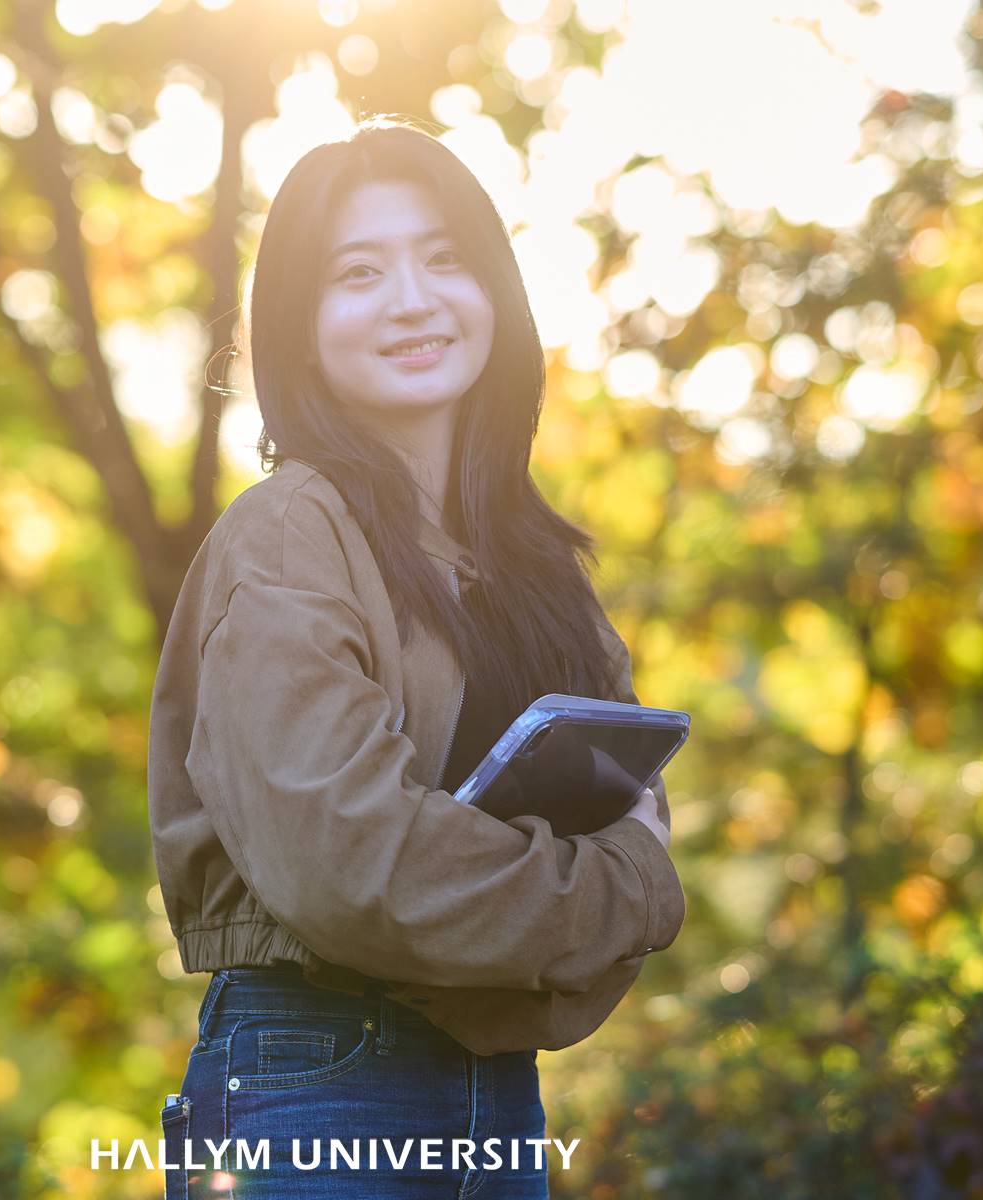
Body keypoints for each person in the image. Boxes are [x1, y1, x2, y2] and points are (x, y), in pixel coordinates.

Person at [145, 118, 685, 1199]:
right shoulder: (289, 532)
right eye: (359, 272)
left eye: (444, 258)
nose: (411, 299)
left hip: (496, 1089)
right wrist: (619, 893)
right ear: (300, 326)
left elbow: (643, 821)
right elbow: (349, 864)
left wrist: (607, 895)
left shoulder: (534, 562)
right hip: (318, 1076)